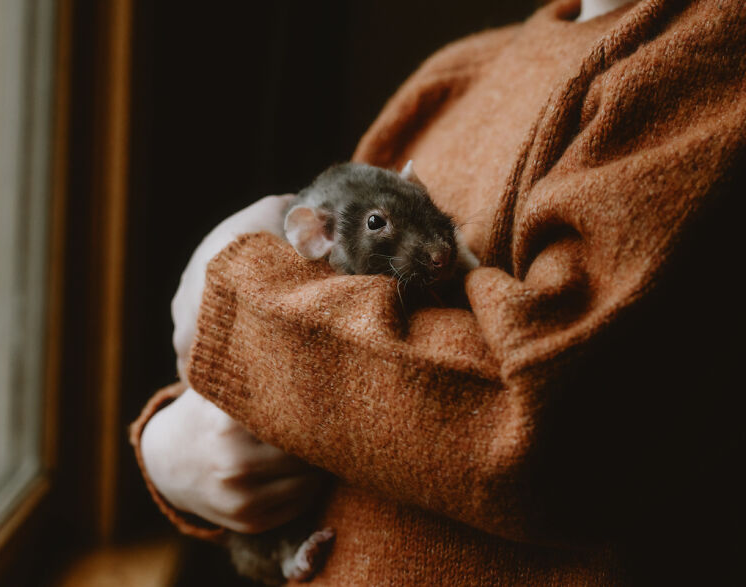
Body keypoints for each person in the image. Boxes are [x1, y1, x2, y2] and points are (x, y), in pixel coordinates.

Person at [132, 0, 746, 583]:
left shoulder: (712, 57)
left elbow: (547, 425)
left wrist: (230, 294)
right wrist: (175, 447)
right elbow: (335, 343)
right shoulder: (452, 77)